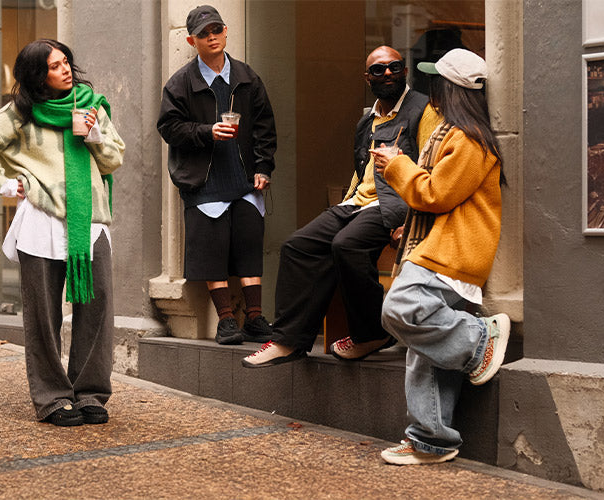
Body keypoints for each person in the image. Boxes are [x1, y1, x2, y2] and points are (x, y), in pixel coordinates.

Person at [242, 46, 442, 368]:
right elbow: (361, 170)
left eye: (394, 67)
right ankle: (287, 341)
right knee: (298, 246)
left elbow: (432, 168)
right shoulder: (367, 120)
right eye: (378, 70)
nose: (387, 73)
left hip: (398, 203)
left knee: (346, 245)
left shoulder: (424, 109)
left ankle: (372, 333)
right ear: (367, 78)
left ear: (405, 71)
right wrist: (345, 204)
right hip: (358, 204)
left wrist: (413, 218)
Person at [0, 39, 125, 427]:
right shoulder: (20, 114)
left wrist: (92, 134)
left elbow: (114, 159)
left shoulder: (92, 105)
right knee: (42, 314)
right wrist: (7, 185)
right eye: (55, 66)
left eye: (66, 61)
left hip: (90, 220)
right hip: (43, 220)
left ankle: (90, 393)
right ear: (39, 75)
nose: (66, 69)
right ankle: (52, 397)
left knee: (97, 308)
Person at [372, 48, 510, 464]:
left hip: (451, 254)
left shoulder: (468, 139)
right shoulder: (451, 133)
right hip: (440, 249)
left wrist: (397, 165)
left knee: (398, 308)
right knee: (426, 355)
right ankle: (432, 439)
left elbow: (435, 194)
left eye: (437, 82)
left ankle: (478, 340)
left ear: (450, 89)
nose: (430, 89)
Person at [157, 5, 277, 345]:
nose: (212, 37)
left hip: (244, 178)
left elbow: (266, 127)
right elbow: (168, 127)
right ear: (191, 40)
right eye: (204, 34)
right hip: (203, 180)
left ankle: (254, 317)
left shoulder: (247, 77)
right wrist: (207, 132)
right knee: (211, 248)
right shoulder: (180, 83)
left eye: (217, 30)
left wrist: (264, 166)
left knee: (249, 245)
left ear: (226, 32)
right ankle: (226, 320)